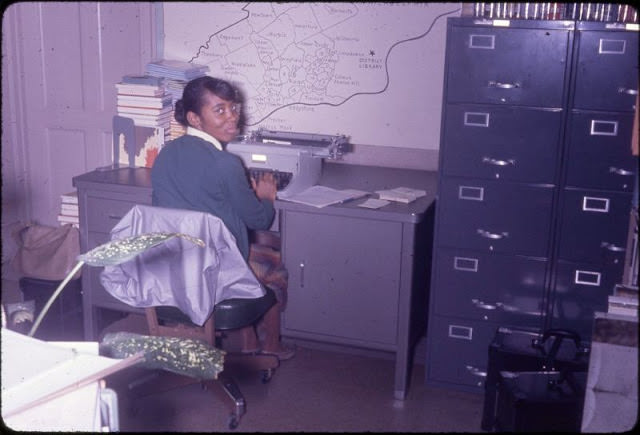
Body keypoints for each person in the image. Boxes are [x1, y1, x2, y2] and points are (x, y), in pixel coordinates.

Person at [151, 76, 294, 360]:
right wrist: (265, 196)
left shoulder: (165, 154)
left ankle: (248, 338)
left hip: (173, 271)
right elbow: (258, 220)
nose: (232, 118)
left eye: (234, 108)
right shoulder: (226, 164)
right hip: (217, 274)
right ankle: (271, 345)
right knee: (273, 260)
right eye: (220, 110)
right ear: (195, 117)